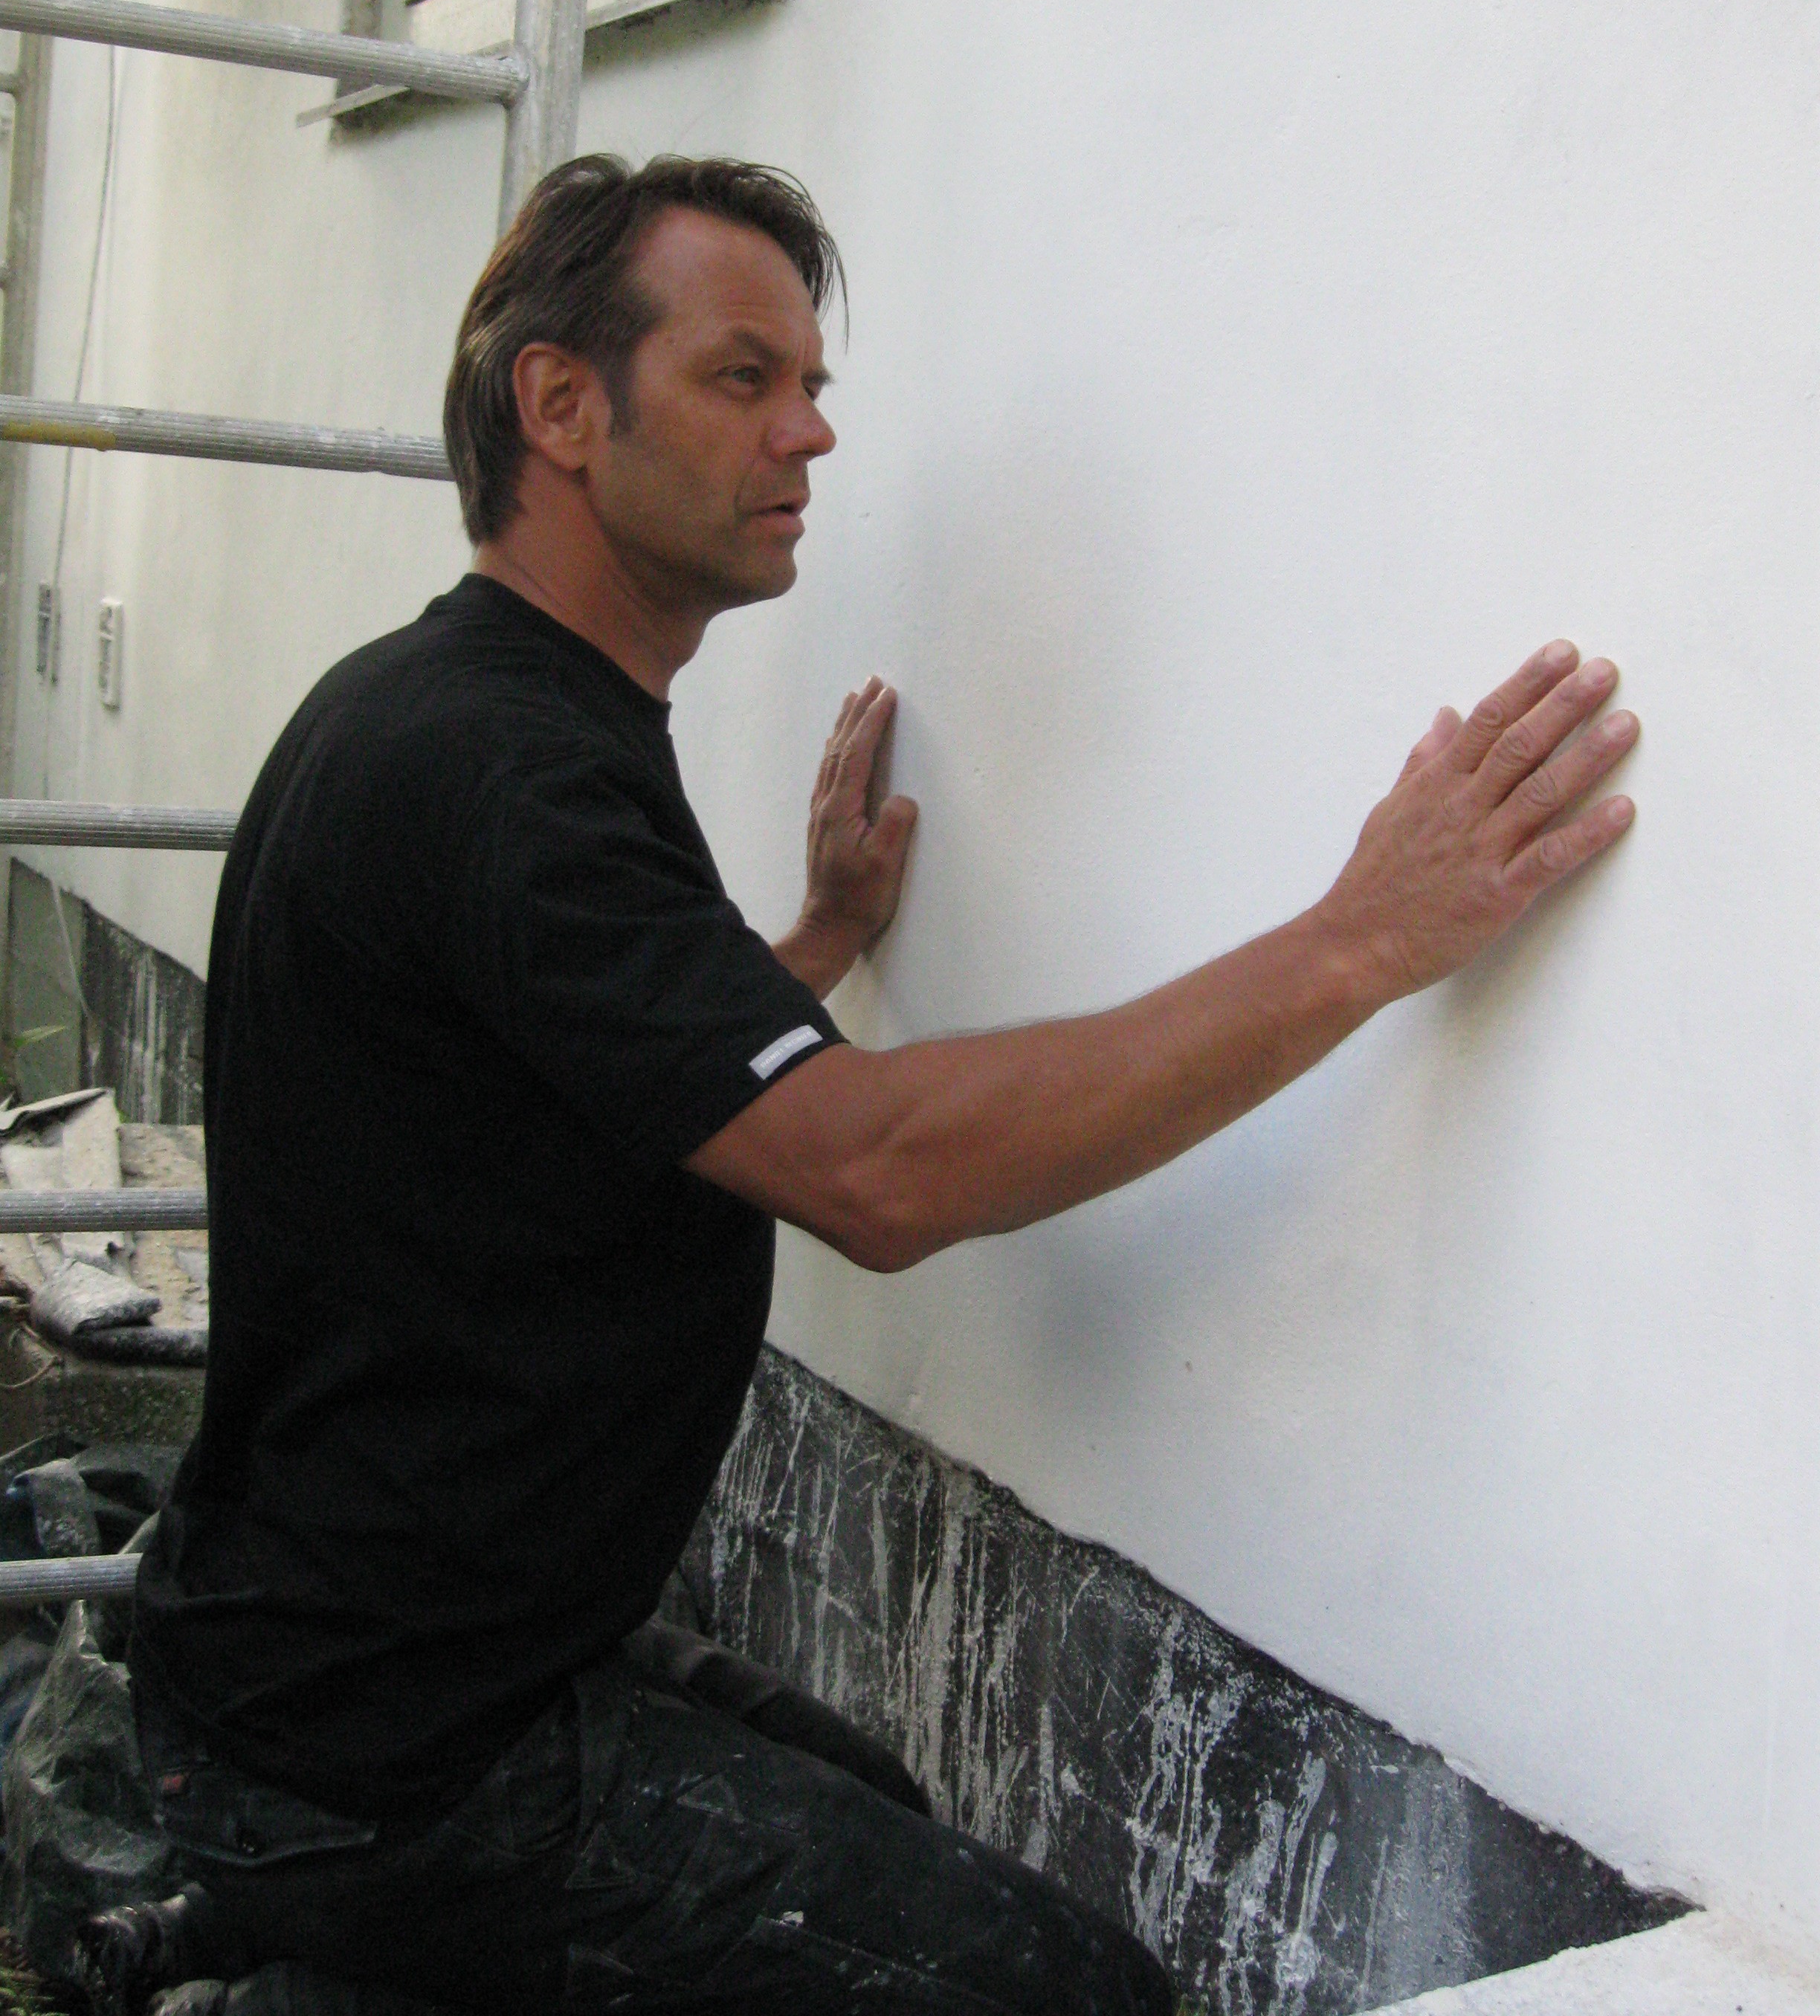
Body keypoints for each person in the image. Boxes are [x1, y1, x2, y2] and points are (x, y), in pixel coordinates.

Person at [100, 154, 1636, 2016]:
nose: (811, 432)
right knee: (1078, 2000)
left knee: (864, 1810)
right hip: (385, 1748)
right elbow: (877, 1176)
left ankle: (278, 1961)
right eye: (746, 377)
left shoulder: (469, 712)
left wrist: (814, 947)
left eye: (814, 384)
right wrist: (1356, 939)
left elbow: (564, 1075)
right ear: (563, 408)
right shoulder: (503, 770)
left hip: (377, 1666)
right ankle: (278, 1955)